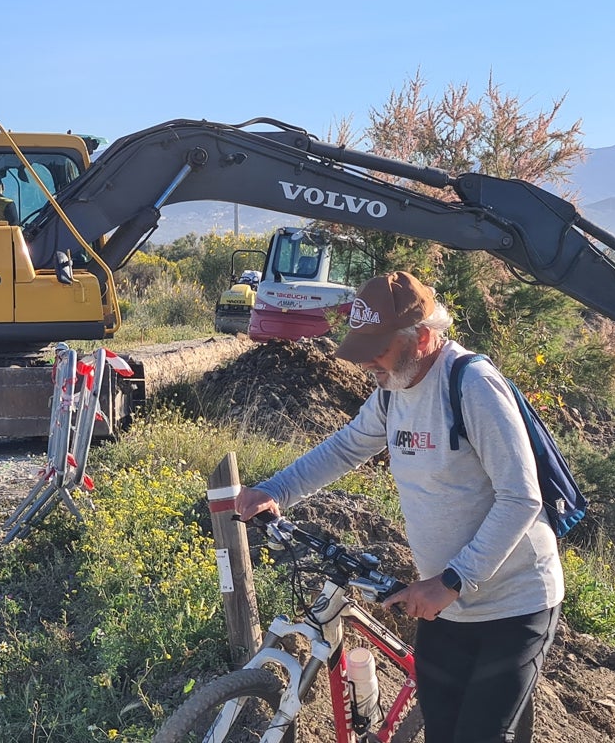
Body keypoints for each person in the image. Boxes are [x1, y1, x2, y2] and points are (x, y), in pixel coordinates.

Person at [236, 271, 564, 743]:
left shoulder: (471, 385)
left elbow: (522, 498)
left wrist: (452, 580)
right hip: (446, 607)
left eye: (379, 348)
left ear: (424, 338)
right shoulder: (392, 391)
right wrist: (277, 488)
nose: (368, 362)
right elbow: (346, 447)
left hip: (512, 604)